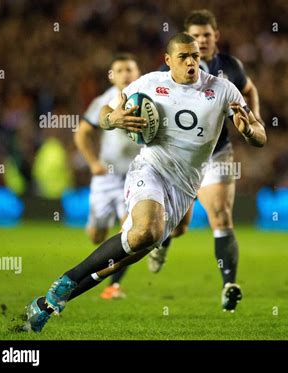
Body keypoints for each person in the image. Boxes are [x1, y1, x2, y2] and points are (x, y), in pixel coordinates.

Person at [21, 32, 266, 333]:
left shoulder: (223, 89)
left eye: (195, 56)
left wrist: (249, 131)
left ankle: (47, 305)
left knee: (127, 255)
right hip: (149, 169)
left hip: (184, 189)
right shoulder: (151, 83)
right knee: (144, 232)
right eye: (183, 57)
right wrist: (116, 119)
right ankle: (68, 279)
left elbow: (260, 134)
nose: (191, 62)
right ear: (168, 61)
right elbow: (105, 112)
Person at [147, 9, 264, 312]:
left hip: (217, 153)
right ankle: (164, 243)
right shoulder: (166, 73)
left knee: (221, 215)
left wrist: (253, 119)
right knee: (179, 226)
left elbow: (249, 89)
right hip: (181, 158)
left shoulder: (230, 69)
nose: (202, 41)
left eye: (206, 36)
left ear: (215, 37)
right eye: (196, 36)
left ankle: (229, 285)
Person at [74, 53, 141, 300]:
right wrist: (93, 163)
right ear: (112, 76)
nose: (125, 74)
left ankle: (113, 286)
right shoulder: (103, 101)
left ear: (138, 73)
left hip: (135, 176)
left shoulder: (149, 98)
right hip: (105, 177)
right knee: (96, 237)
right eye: (120, 70)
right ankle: (98, 222)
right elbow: (81, 134)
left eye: (130, 69)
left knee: (132, 232)